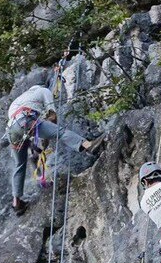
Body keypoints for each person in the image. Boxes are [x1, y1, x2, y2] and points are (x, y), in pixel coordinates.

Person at [7, 84, 105, 215]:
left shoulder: (19, 100)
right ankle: (88, 146)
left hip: (11, 131)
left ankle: (16, 202)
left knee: (19, 164)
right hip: (26, 121)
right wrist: (49, 136)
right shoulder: (43, 91)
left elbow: (25, 130)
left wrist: (43, 141)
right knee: (62, 132)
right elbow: (52, 117)